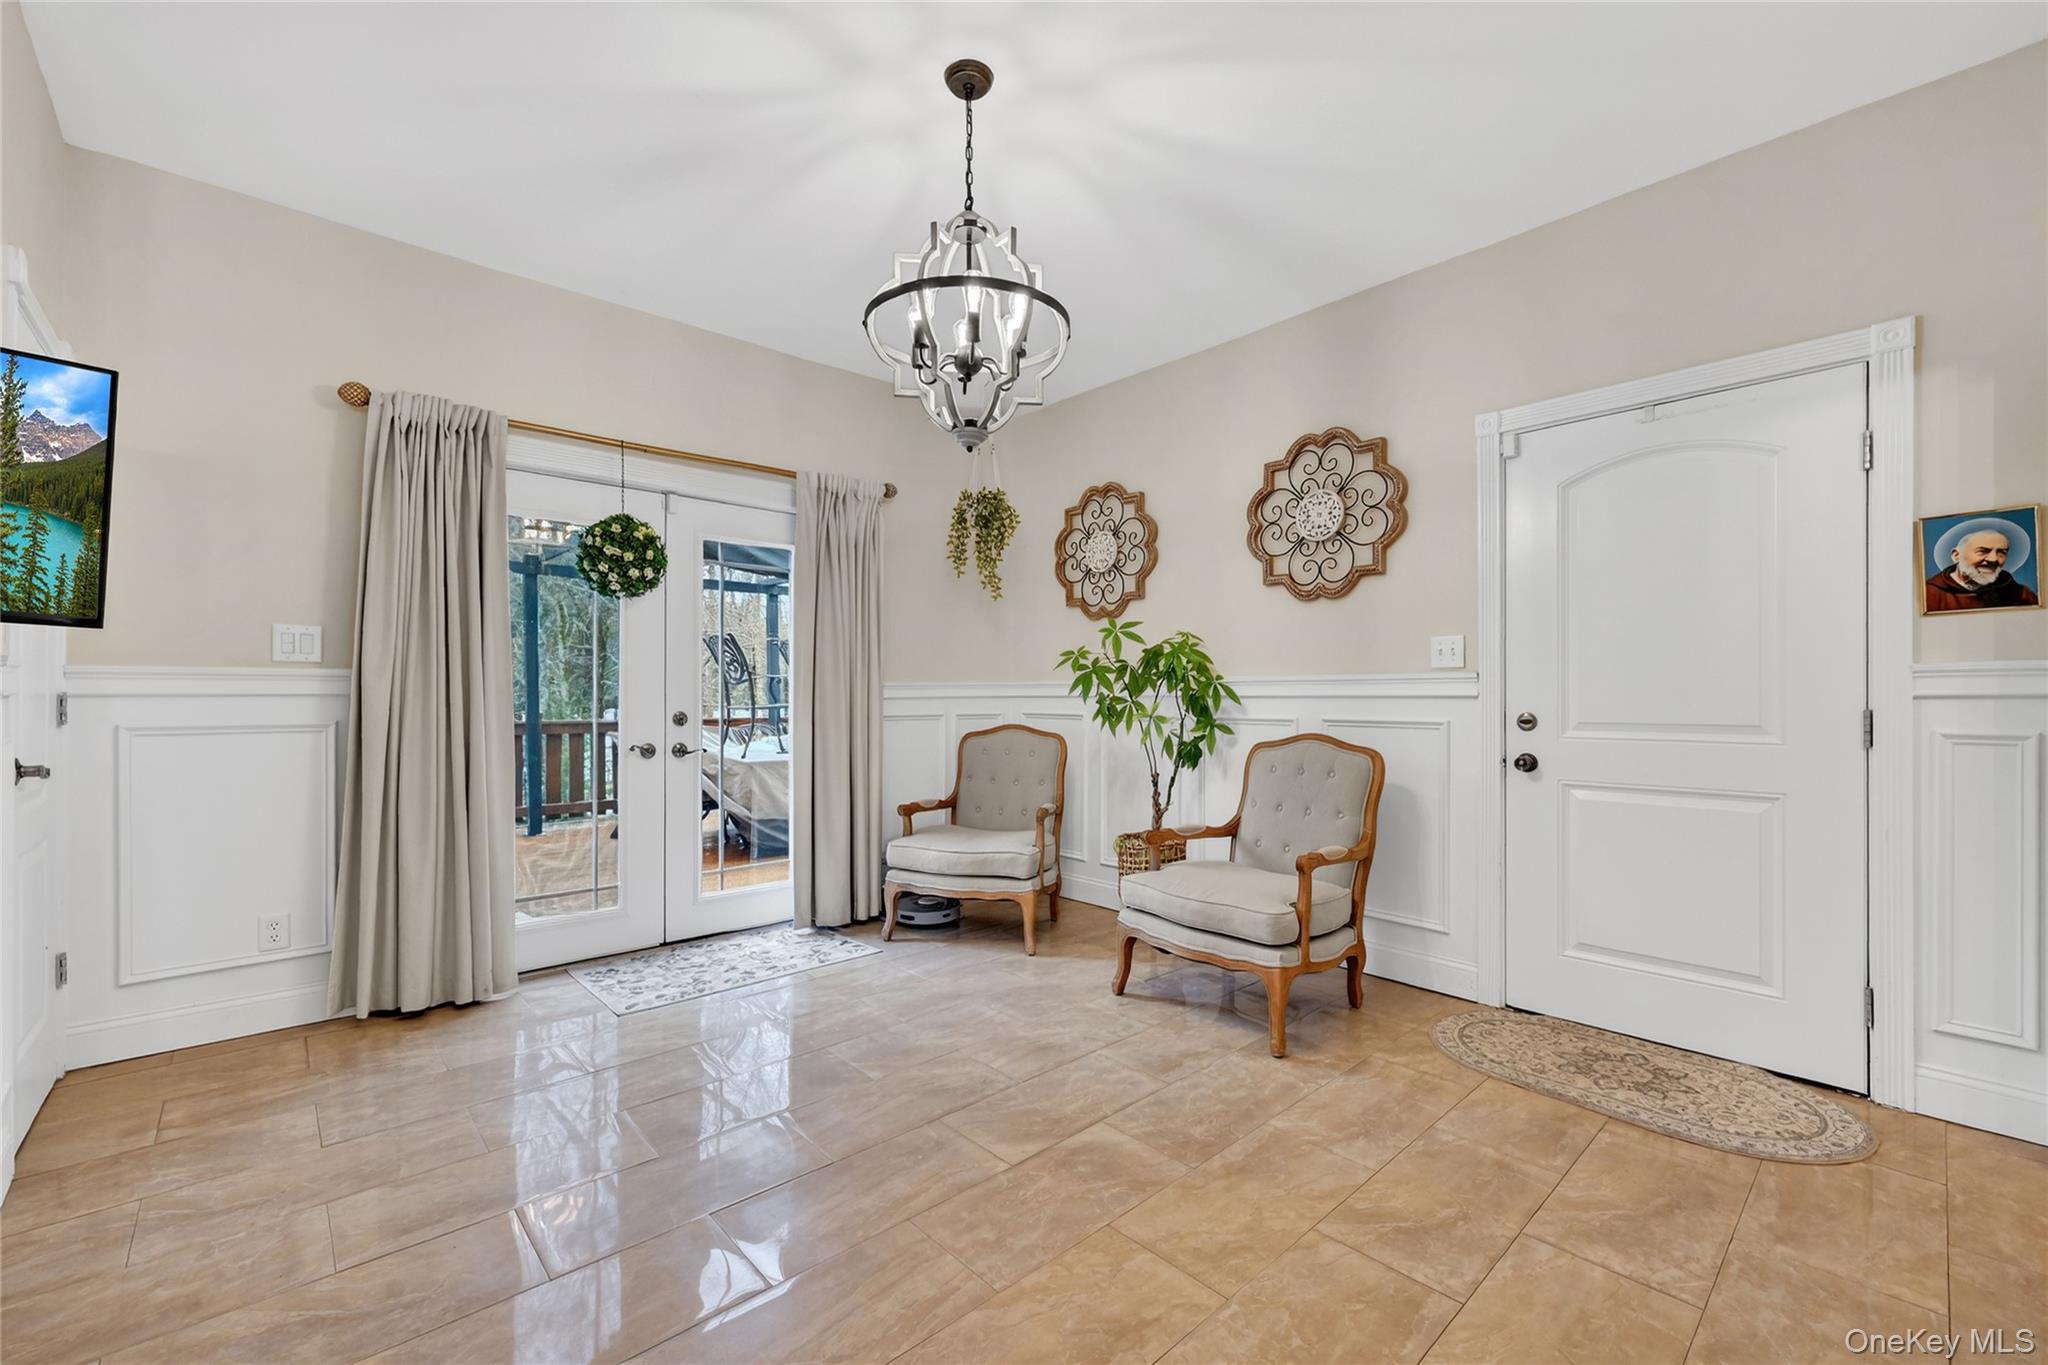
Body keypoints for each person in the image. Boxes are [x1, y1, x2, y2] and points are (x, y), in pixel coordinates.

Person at [1925, 526, 2040, 612]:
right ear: (1956, 556)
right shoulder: (1930, 593)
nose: (1993, 559)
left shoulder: (2020, 593)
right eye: (1982, 551)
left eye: (2001, 553)